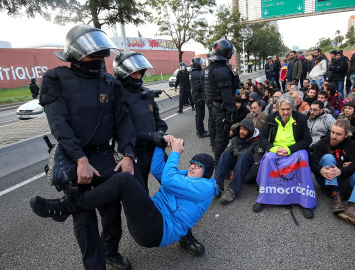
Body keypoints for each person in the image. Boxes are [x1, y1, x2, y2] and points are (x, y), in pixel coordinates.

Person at [39, 25, 137, 269]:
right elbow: (58, 123)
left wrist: (128, 154)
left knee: (112, 213)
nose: (99, 60)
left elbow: (124, 121)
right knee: (84, 220)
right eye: (93, 56)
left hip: (104, 155)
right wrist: (81, 159)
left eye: (102, 56)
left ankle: (110, 252)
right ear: (75, 55)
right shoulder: (55, 78)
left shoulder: (111, 83)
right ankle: (94, 266)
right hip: (75, 158)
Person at [30, 138, 218, 260]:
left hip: (157, 229)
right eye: (192, 163)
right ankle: (76, 174)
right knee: (128, 170)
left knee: (124, 181)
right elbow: (157, 169)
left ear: (206, 172)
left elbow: (167, 180)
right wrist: (160, 143)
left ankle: (65, 206)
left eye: (198, 166)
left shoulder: (206, 188)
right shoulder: (185, 176)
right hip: (151, 215)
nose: (193, 167)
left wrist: (175, 152)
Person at [113, 51, 169, 192]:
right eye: (134, 74)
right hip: (135, 153)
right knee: (140, 194)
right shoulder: (118, 98)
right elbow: (123, 132)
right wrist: (149, 136)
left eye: (140, 73)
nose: (138, 76)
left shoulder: (145, 94)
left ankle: (176, 212)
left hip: (156, 148)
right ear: (123, 74)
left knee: (173, 184)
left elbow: (159, 122)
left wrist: (160, 133)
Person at [254, 94, 315, 218]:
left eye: (288, 109)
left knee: (302, 159)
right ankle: (263, 197)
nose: (286, 112)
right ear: (277, 109)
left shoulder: (301, 118)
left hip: (294, 149)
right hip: (275, 149)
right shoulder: (271, 117)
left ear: (293, 107)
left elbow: (307, 140)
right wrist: (274, 149)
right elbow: (263, 137)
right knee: (268, 159)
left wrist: (289, 149)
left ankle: (306, 202)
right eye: (283, 109)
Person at [310, 119, 355, 228]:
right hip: (325, 178)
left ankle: (352, 207)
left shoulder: (353, 145)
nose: (334, 136)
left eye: (338, 134)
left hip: (343, 177)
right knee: (328, 157)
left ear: (346, 135)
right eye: (333, 132)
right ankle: (335, 195)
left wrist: (341, 171)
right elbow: (313, 162)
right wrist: (320, 170)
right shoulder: (322, 143)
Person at [204, 39, 238, 165]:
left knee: (218, 134)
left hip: (214, 106)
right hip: (222, 109)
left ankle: (220, 161)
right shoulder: (222, 70)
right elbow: (227, 95)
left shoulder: (210, 68)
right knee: (222, 137)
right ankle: (219, 164)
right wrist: (232, 110)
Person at [215, 118, 264, 204]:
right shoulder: (235, 139)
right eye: (241, 128)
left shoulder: (258, 142)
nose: (242, 131)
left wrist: (241, 178)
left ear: (251, 130)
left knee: (244, 156)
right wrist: (230, 172)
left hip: (249, 173)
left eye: (245, 129)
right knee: (225, 155)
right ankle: (217, 186)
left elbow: (257, 165)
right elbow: (226, 152)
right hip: (238, 168)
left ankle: (232, 190)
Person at [190, 57, 209, 138]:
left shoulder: (192, 72)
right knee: (200, 115)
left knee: (198, 114)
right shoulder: (197, 73)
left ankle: (199, 130)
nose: (202, 64)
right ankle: (201, 132)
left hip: (195, 95)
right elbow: (198, 86)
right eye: (200, 63)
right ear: (197, 64)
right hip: (198, 95)